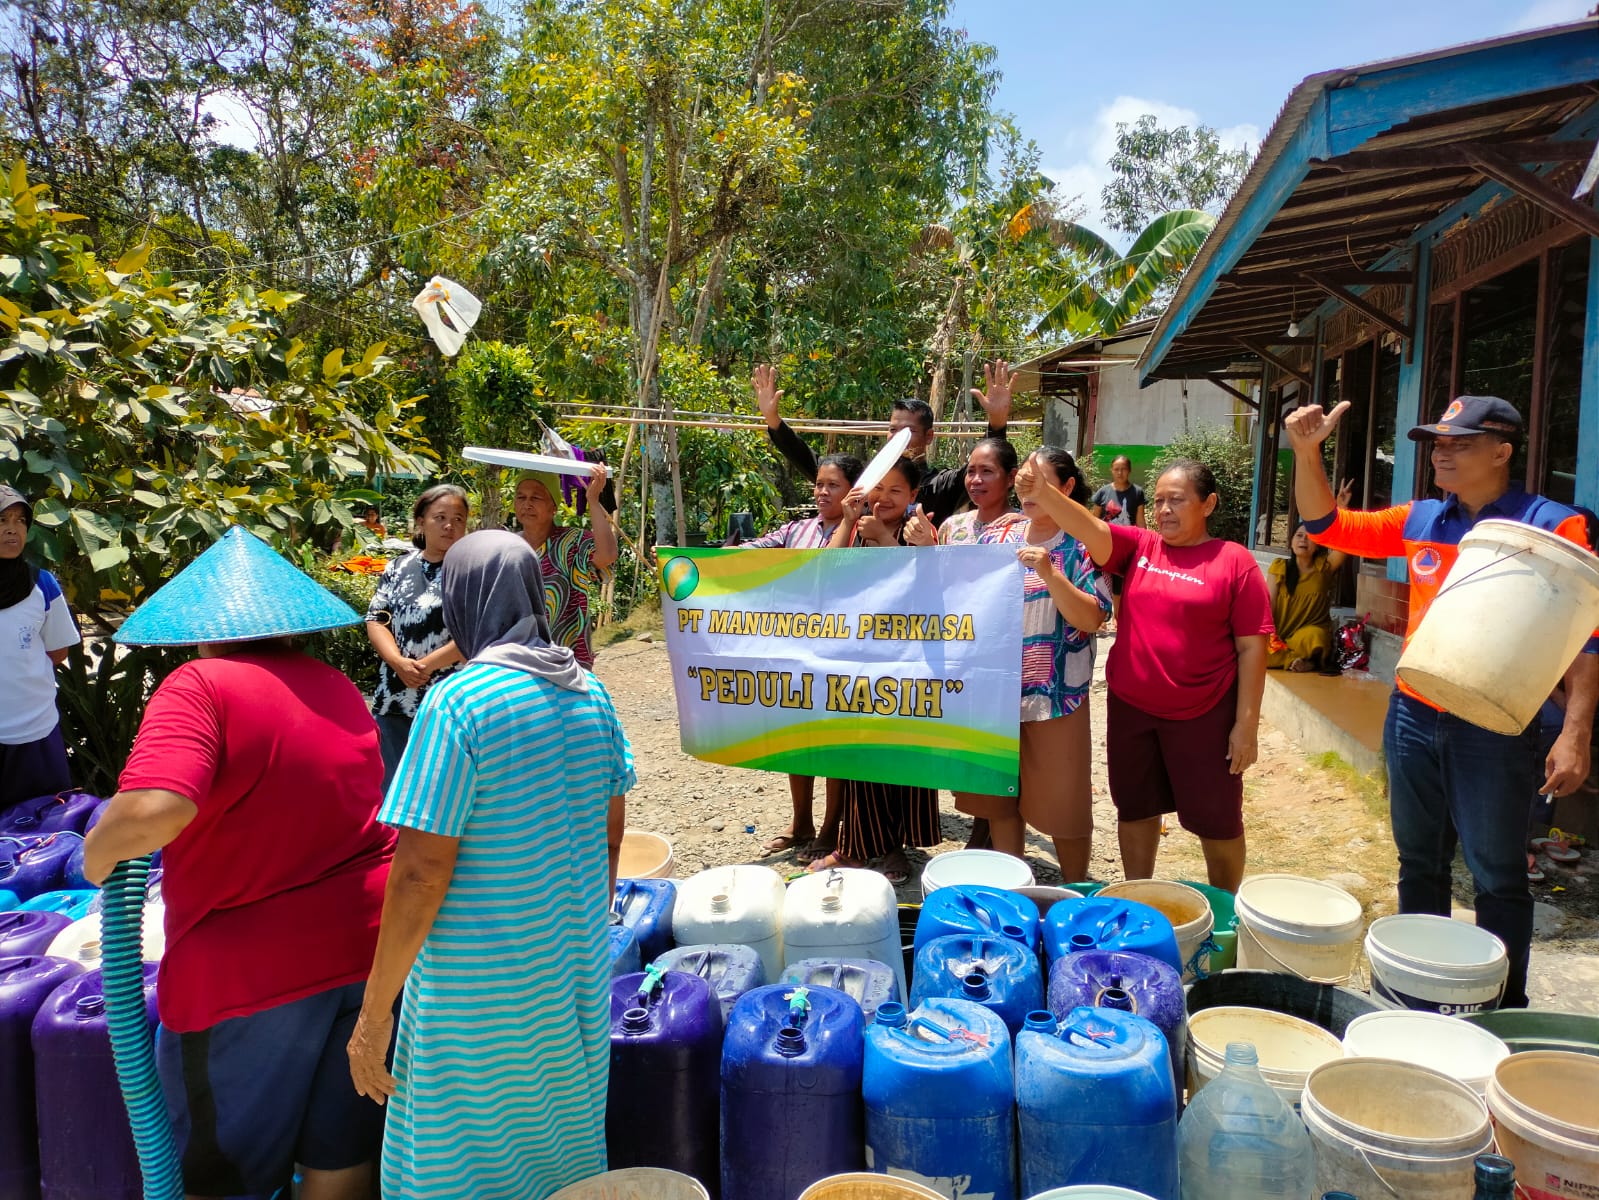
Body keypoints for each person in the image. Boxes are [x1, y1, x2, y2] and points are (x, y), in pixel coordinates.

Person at [81, 526, 394, 1200]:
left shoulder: (200, 685)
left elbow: (155, 810)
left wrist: (95, 855)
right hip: (366, 957)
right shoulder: (336, 684)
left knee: (223, 1182)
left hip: (251, 982)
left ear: (202, 626)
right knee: (339, 1164)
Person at [1285, 394, 1598, 1009]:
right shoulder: (1421, 518)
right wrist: (1305, 451)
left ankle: (1501, 1009)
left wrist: (1576, 732)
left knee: (1497, 873)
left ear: (1502, 451)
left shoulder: (1554, 523)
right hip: (1413, 712)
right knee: (1418, 861)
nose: (1442, 453)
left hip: (1498, 723)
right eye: (1438, 444)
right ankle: (1418, 991)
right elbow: (1327, 526)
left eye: (1461, 443)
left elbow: (1589, 637)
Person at [345, 531, 633, 1200]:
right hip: (569, 978)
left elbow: (420, 871)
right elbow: (611, 838)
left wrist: (374, 1013)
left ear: (463, 601)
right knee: (556, 1152)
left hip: (477, 994)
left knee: (458, 1162)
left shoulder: (461, 703)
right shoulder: (588, 693)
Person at [1018, 458, 1272, 892]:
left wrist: (1245, 726)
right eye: (1158, 500)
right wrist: (1043, 493)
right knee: (1135, 808)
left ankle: (1227, 906)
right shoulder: (1142, 547)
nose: (1165, 509)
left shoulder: (1234, 562)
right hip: (1132, 709)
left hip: (1203, 714)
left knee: (1217, 819)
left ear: (1208, 504)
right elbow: (1091, 530)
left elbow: (1253, 648)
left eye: (1177, 500)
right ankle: (1138, 893)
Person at [949, 449, 1110, 878]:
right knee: (1000, 798)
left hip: (1057, 692)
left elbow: (1092, 618)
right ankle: (1013, 886)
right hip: (994, 693)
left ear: (1068, 488)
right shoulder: (996, 540)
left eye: (1039, 481)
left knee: (1065, 805)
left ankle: (1076, 889)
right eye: (1023, 481)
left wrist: (1052, 575)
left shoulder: (1083, 546)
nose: (1028, 490)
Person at [815, 457, 940, 883]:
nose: (883, 498)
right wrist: (848, 525)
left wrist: (886, 537)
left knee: (898, 759)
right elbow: (825, 575)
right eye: (878, 488)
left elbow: (928, 585)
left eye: (896, 491)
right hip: (857, 663)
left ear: (913, 497)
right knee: (859, 761)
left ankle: (893, 848)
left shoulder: (919, 530)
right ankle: (853, 846)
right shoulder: (853, 527)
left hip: (906, 666)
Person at [742, 452, 864, 860]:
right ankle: (801, 822)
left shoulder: (864, 532)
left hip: (844, 652)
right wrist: (692, 561)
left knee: (834, 742)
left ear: (853, 491)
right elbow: (749, 553)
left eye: (833, 485)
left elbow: (830, 568)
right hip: (795, 650)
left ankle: (831, 827)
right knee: (798, 737)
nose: (823, 492)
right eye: (819, 484)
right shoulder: (795, 530)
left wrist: (848, 521)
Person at [752, 362, 1015, 526]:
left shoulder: (940, 485)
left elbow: (985, 465)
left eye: (908, 431)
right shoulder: (867, 479)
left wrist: (997, 420)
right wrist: (774, 420)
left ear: (929, 436)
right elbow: (814, 465)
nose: (897, 438)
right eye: (892, 430)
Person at [365, 485, 469, 787]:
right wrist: (398, 663)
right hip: (394, 697)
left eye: (458, 519)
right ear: (421, 522)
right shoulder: (397, 567)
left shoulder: (472, 571)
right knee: (392, 790)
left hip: (447, 700)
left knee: (440, 790)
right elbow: (376, 619)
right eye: (440, 517)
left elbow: (475, 632)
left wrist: (426, 667)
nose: (449, 526)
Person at [0, 485, 80, 810]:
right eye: (2, 519)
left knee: (44, 828)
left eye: (20, 521)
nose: (12, 529)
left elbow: (58, 652)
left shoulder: (42, 585)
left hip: (37, 733)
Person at [512, 464, 619, 669]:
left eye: (536, 498)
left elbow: (606, 555)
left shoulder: (572, 542)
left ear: (554, 507)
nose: (527, 504)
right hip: (517, 658)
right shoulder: (506, 546)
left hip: (567, 659)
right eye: (521, 497)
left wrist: (593, 500)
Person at [1267, 517, 1348, 672]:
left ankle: (1294, 659)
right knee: (1254, 648)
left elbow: (1344, 544)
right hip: (1278, 635)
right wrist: (1271, 636)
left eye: (1310, 537)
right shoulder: (1279, 567)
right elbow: (1268, 603)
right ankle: (1302, 662)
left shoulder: (1324, 568)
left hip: (1304, 637)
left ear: (1317, 545)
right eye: (1299, 536)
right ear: (1291, 542)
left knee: (1316, 637)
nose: (1303, 540)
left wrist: (1340, 510)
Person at [1091, 454, 1146, 626]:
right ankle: (1100, 618)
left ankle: (1118, 617)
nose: (1120, 473)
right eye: (1116, 469)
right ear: (1111, 470)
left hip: (1127, 545)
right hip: (1106, 544)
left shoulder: (1137, 492)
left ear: (1129, 471)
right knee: (1102, 580)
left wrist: (1144, 543)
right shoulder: (1103, 492)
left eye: (1123, 469)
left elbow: (1140, 520)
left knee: (1121, 583)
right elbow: (1094, 519)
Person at [936, 437, 1022, 546]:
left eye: (986, 471)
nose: (976, 480)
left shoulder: (1027, 526)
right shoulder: (951, 527)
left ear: (1011, 477)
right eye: (971, 471)